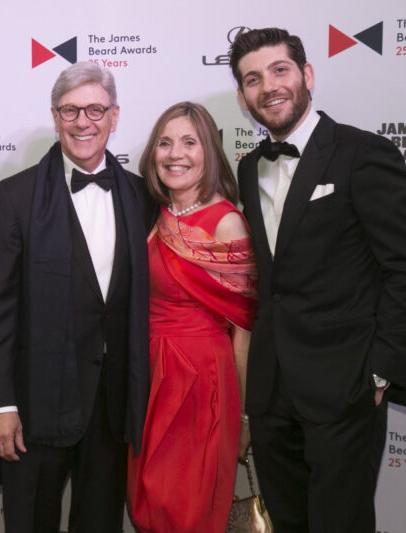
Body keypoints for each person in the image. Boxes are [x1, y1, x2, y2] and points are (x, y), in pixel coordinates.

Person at [229, 28, 406, 532]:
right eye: (253, 79)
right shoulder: (249, 168)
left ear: (307, 75)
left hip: (346, 387)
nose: (268, 87)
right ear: (242, 96)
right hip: (273, 392)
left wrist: (382, 372)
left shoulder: (363, 153)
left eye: (280, 70)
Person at [0, 62, 154, 532]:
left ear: (114, 117)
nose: (83, 122)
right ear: (55, 118)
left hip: (110, 409)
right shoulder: (14, 198)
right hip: (33, 408)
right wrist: (0, 405)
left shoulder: (141, 197)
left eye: (95, 109)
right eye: (70, 111)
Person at [126, 102, 258, 533]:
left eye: (189, 142)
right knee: (148, 507)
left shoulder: (226, 225)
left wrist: (243, 416)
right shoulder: (155, 214)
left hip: (201, 384)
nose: (174, 153)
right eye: (165, 142)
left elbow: (243, 333)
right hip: (148, 380)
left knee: (186, 510)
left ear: (210, 152)